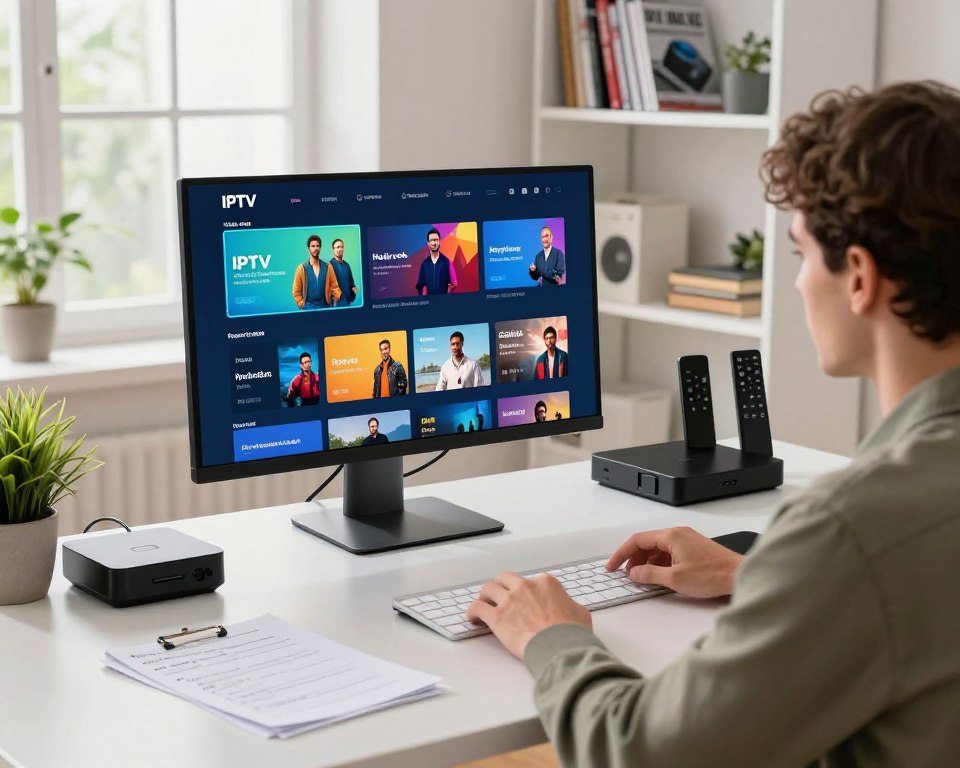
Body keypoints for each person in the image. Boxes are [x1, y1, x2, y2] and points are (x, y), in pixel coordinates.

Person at [466, 81, 960, 766]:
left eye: (800, 255)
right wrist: (759, 576)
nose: (797, 284)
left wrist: (550, 634)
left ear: (858, 276)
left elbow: (643, 751)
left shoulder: (851, 528)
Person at [292, 234, 341, 309]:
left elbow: (335, 287)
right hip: (308, 308)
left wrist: (333, 300)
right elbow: (296, 291)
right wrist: (302, 305)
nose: (316, 248)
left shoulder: (328, 267)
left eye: (318, 246)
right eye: (313, 246)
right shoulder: (301, 268)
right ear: (308, 248)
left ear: (320, 248)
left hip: (325, 307)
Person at [415, 227, 457, 295]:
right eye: (432, 240)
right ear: (428, 243)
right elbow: (420, 287)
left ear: (439, 242)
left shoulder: (447, 262)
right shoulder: (424, 264)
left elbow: (453, 284)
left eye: (437, 240)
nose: (435, 243)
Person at [329, 238, 359, 306]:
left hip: (348, 303)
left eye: (342, 247)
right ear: (333, 249)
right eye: (338, 247)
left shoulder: (346, 265)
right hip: (336, 304)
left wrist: (354, 289)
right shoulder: (330, 265)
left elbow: (351, 283)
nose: (340, 249)